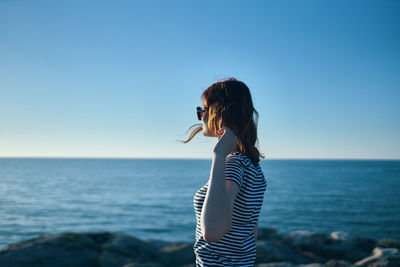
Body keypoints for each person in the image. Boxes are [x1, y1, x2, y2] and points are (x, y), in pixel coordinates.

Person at [182, 77, 268, 266]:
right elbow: (251, 231)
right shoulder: (251, 165)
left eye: (203, 110)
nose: (201, 116)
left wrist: (219, 155)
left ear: (220, 112)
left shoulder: (233, 164)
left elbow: (212, 232)